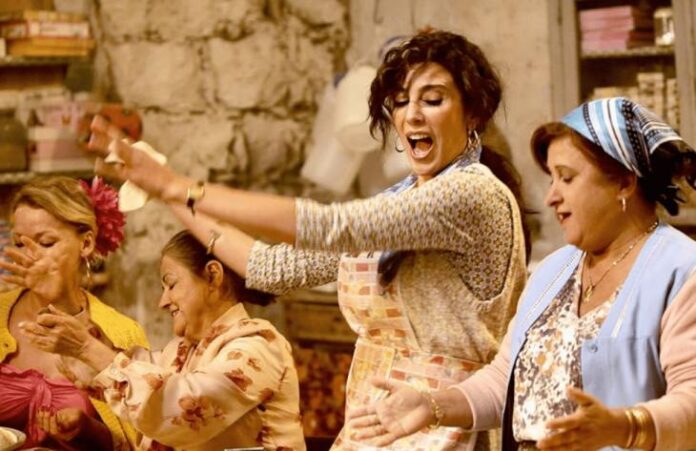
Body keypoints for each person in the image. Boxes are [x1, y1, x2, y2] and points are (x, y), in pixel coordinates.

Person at [85, 29, 529, 450]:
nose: (411, 114)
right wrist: (168, 193)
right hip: (373, 427)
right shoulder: (401, 201)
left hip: (444, 429)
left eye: (432, 100)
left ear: (474, 113)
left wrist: (180, 186)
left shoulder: (472, 192)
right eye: (399, 101)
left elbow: (330, 225)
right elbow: (269, 268)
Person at [348, 97, 696, 451]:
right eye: (552, 178)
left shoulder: (682, 270)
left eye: (567, 178)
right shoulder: (553, 272)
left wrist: (624, 427)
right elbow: (504, 380)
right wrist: (432, 405)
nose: (551, 197)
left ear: (624, 182)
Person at [18, 230, 305, 451]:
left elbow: (180, 406)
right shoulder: (181, 351)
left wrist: (86, 347)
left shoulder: (258, 345)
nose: (162, 301)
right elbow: (123, 373)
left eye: (171, 284)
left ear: (212, 276)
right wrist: (59, 299)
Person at [0, 176, 150, 450]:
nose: (31, 256)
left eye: (46, 243)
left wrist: (86, 430)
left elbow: (141, 442)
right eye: (20, 244)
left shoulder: (123, 334)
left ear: (86, 244)